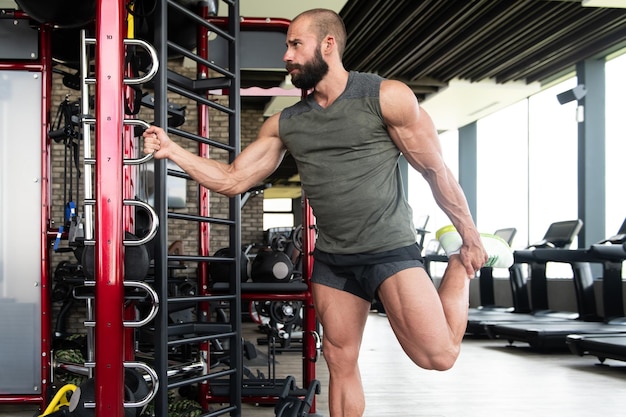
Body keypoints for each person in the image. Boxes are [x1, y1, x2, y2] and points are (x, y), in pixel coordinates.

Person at [143, 8, 512, 417]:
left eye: (296, 44)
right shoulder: (287, 123)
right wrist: (172, 150)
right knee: (339, 360)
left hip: (388, 248)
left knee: (438, 356)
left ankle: (458, 269)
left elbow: (434, 171)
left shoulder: (385, 96)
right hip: (335, 260)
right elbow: (233, 179)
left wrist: (471, 238)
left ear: (328, 45)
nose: (287, 56)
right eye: (288, 46)